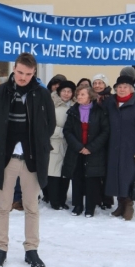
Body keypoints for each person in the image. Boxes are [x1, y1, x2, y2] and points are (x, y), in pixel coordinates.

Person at [0, 52, 56, 267]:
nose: (23, 77)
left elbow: (50, 125)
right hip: (6, 157)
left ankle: (31, 250)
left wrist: (37, 142)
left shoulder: (42, 94)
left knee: (31, 206)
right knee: (2, 206)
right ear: (13, 69)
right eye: (19, 72)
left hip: (32, 158)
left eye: (27, 74)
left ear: (34, 72)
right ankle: (0, 249)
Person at [104, 75, 135, 221]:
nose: (122, 89)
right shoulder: (109, 103)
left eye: (125, 87)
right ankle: (120, 204)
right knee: (114, 175)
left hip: (131, 147)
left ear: (131, 89)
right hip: (112, 145)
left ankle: (128, 205)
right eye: (119, 87)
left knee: (128, 176)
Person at [62, 86, 110, 217]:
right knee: (77, 179)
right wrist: (79, 147)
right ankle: (77, 205)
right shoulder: (73, 111)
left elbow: (105, 131)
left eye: (82, 94)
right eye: (78, 94)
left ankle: (90, 207)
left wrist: (90, 148)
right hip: (76, 151)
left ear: (90, 96)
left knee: (92, 181)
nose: (79, 97)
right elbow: (67, 131)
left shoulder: (100, 111)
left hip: (94, 152)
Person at [47, 80, 76, 211]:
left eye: (69, 91)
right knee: (54, 174)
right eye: (64, 91)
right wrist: (63, 132)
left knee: (66, 174)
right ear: (59, 92)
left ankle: (62, 200)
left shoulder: (75, 105)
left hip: (70, 144)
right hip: (55, 142)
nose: (66, 93)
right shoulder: (51, 104)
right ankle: (54, 200)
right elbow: (46, 125)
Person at [91, 73, 114, 209]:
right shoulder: (90, 98)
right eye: (95, 83)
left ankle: (107, 199)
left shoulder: (111, 99)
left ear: (105, 85)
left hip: (108, 138)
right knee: (94, 170)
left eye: (100, 83)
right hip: (93, 138)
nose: (97, 86)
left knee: (106, 171)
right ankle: (95, 198)